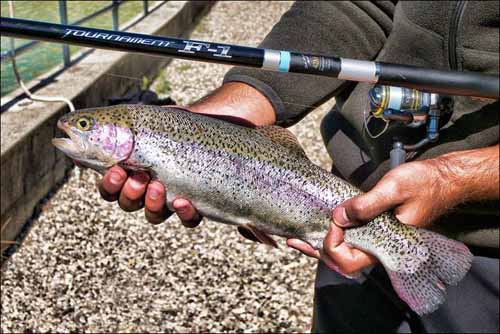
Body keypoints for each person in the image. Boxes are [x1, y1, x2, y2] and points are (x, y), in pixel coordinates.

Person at [97, 2, 499, 332]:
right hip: (347, 223)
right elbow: (354, 6)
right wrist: (241, 103)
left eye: (87, 126)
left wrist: (457, 179)